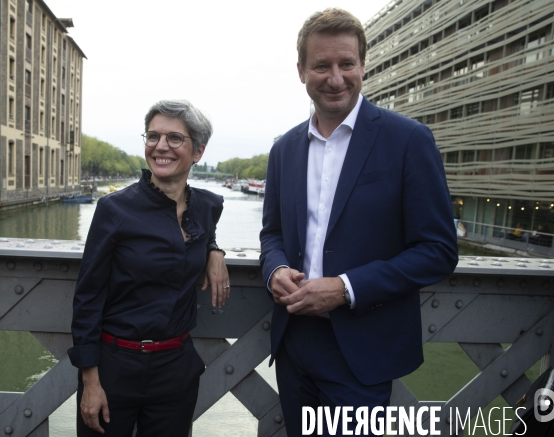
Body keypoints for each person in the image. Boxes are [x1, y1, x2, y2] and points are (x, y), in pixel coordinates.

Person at [259, 8, 458, 436]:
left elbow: (438, 252)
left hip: (364, 349)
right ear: (301, 71)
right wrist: (274, 268)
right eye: (321, 65)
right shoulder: (283, 150)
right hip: (294, 344)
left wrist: (346, 288)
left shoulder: (409, 140)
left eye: (346, 64)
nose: (335, 78)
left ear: (363, 65)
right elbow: (272, 234)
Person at [68, 100, 230, 436]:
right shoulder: (114, 209)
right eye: (153, 136)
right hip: (115, 366)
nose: (160, 147)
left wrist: (214, 250)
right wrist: (90, 380)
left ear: (198, 152)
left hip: (176, 368)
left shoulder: (209, 206)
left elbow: (203, 231)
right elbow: (88, 296)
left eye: (174, 139)